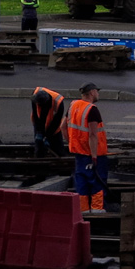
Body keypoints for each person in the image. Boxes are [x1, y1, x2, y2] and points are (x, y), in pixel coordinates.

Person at [67, 83, 108, 212]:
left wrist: (72, 142)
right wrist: (94, 157)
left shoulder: (73, 105)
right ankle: (97, 210)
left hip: (79, 154)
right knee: (97, 181)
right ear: (92, 92)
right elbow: (93, 135)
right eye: (97, 91)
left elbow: (63, 127)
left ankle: (82, 211)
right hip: (94, 154)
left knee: (81, 182)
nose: (98, 94)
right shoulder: (92, 109)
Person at [29, 86, 67, 157]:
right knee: (39, 147)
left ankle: (60, 157)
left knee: (58, 148)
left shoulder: (58, 102)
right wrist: (39, 132)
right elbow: (35, 115)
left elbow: (56, 122)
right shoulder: (35, 96)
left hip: (54, 127)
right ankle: (39, 157)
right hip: (39, 124)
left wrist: (48, 136)